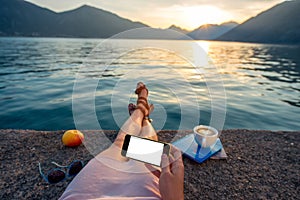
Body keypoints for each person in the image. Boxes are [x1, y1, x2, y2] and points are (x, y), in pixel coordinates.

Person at [59, 82, 184, 200]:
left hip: (87, 194)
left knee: (121, 142)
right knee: (146, 141)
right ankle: (143, 113)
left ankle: (140, 109)